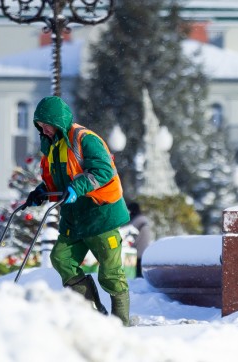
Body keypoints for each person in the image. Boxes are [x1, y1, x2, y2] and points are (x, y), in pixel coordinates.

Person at [23, 96, 131, 326]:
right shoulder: (52, 147)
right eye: (40, 126)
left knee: (111, 273)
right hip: (75, 219)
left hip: (100, 214)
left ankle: (122, 324)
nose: (44, 130)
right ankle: (92, 313)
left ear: (58, 121)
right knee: (61, 258)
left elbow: (103, 171)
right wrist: (41, 192)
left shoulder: (85, 139)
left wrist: (77, 187)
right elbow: (57, 181)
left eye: (47, 125)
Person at [127, 202, 153, 278]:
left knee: (137, 272)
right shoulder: (143, 220)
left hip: (137, 251)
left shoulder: (137, 221)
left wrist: (131, 245)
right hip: (144, 249)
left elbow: (131, 236)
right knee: (140, 271)